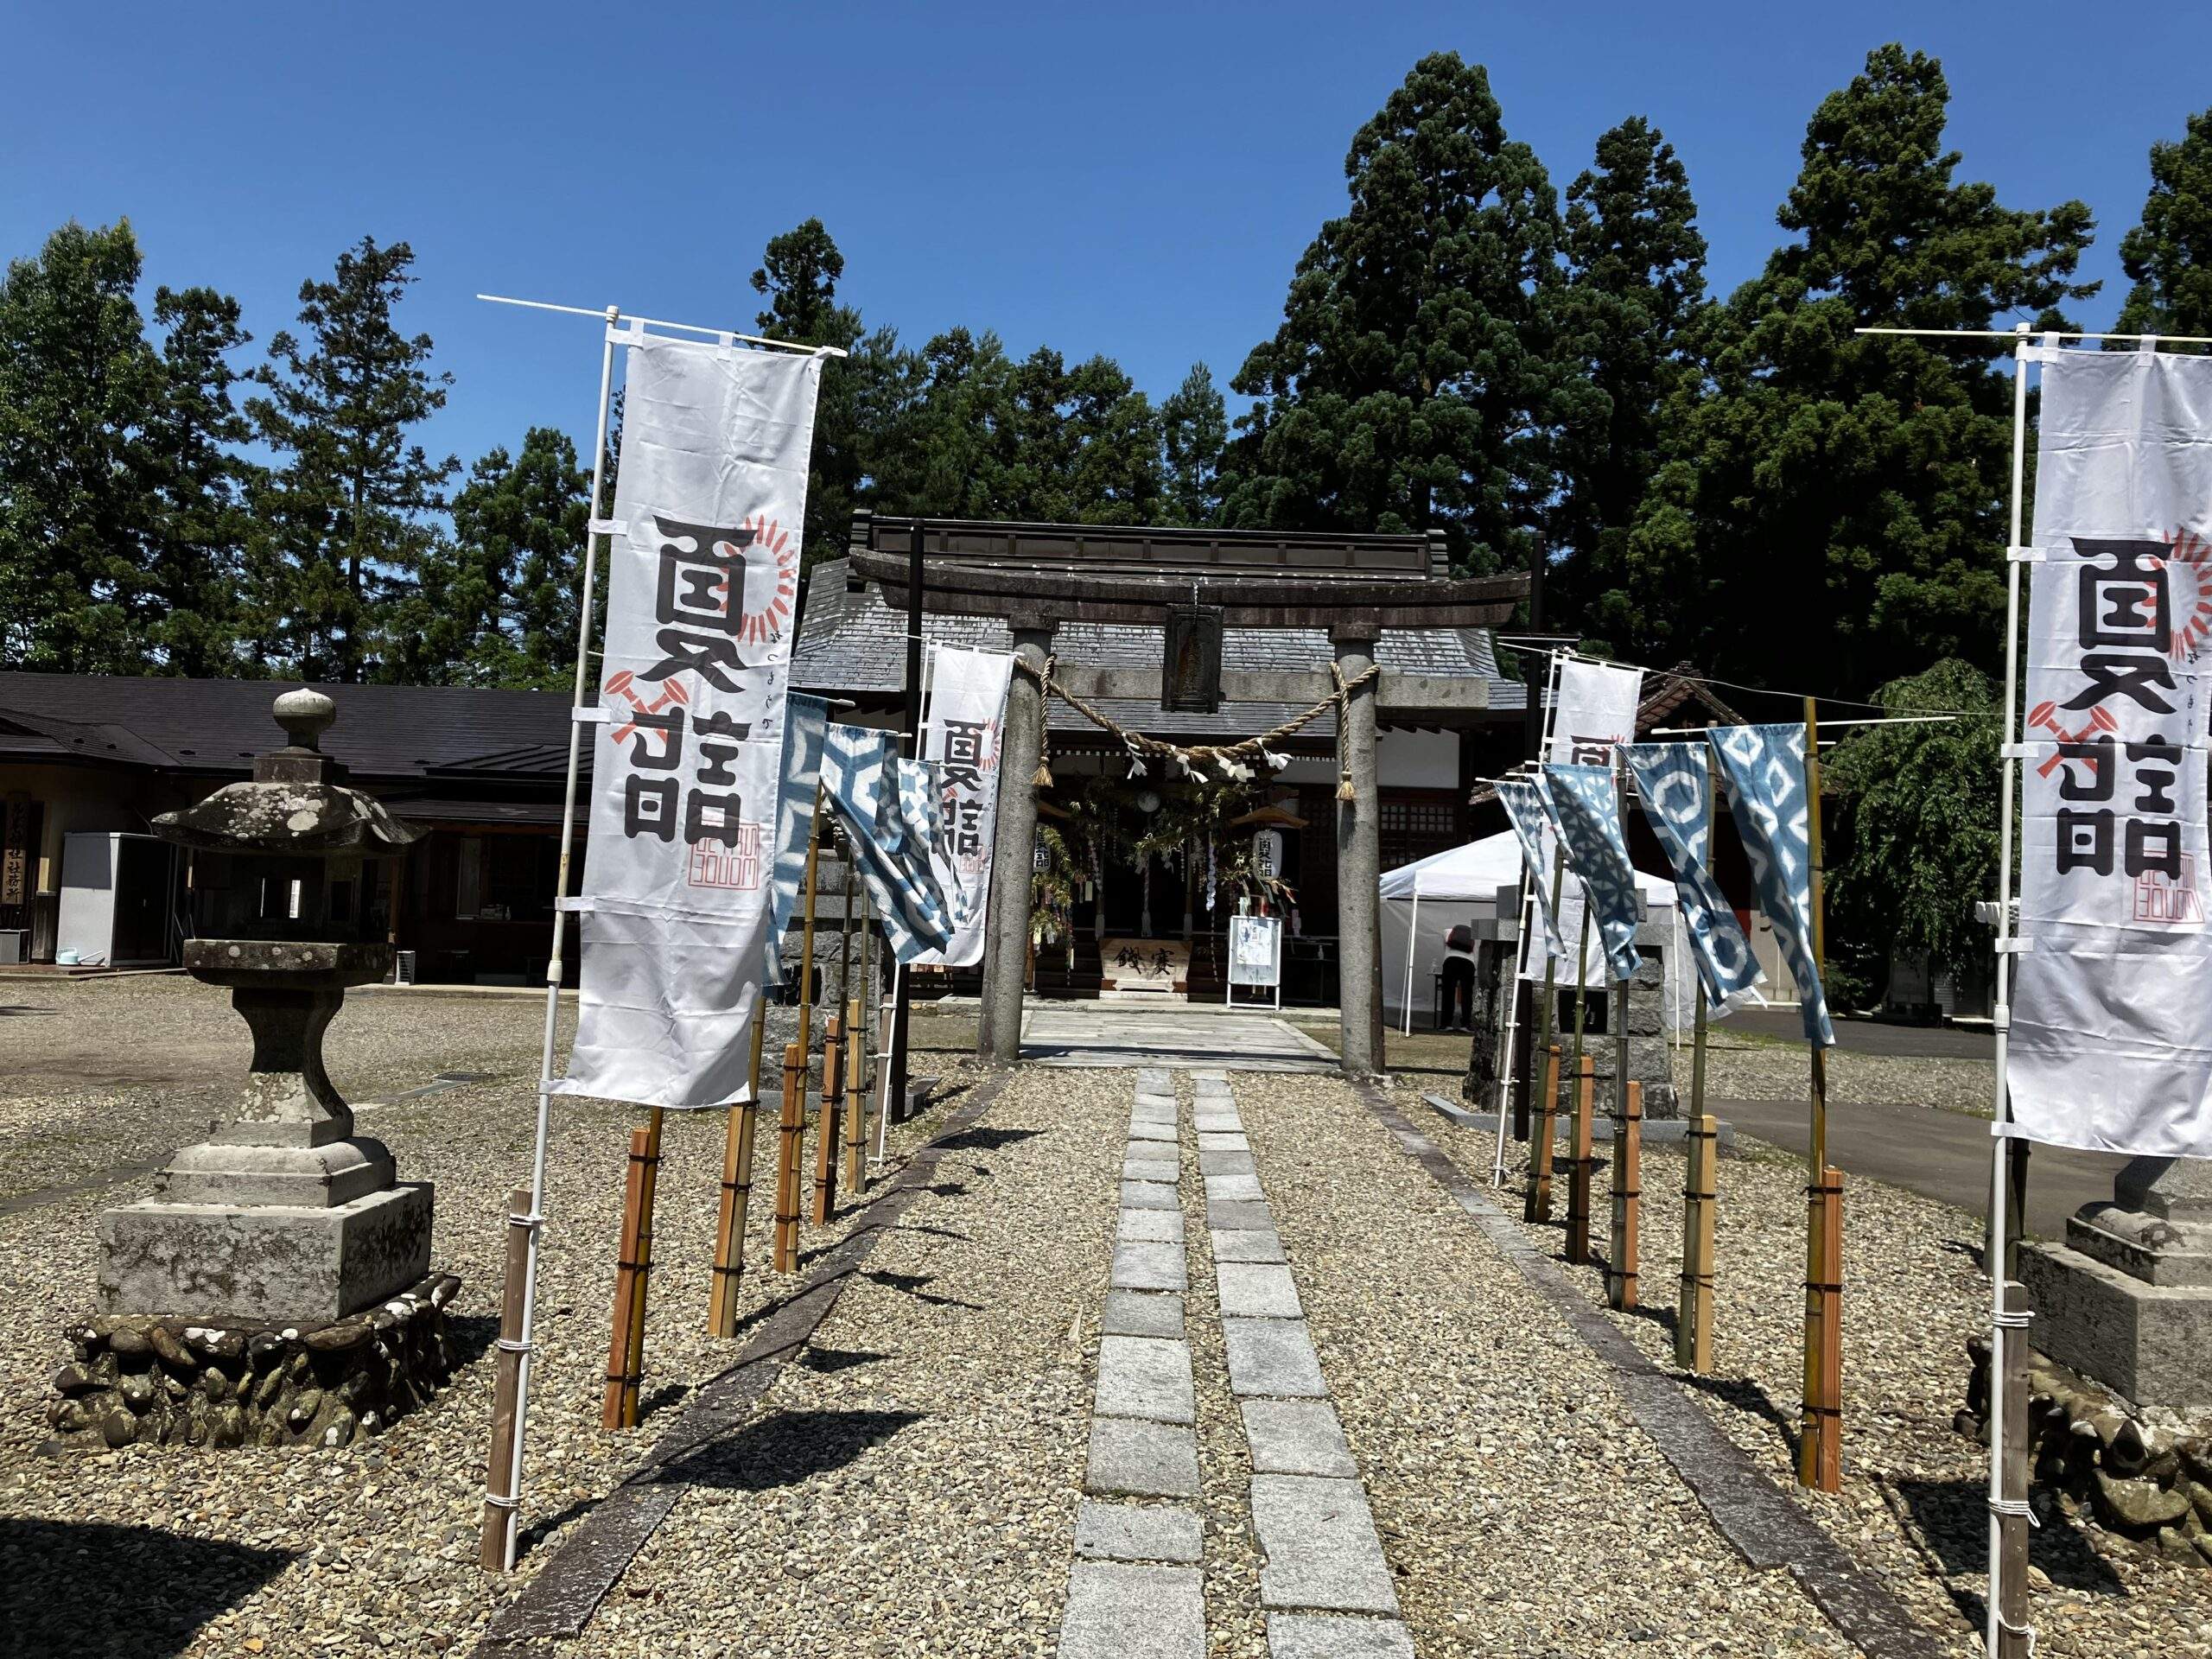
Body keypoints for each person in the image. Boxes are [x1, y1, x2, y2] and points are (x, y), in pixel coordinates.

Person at [1440, 921, 1477, 1030]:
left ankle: (1446, 1024)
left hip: (1450, 961)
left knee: (1448, 993)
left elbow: (1445, 947)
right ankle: (1466, 1024)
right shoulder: (1472, 934)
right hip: (1469, 963)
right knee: (1467, 994)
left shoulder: (1446, 932)